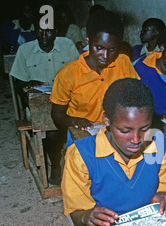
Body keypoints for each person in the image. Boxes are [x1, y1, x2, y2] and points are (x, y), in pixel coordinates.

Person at [62, 78, 166, 226]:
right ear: (106, 120)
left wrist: (164, 194)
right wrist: (87, 215)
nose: (136, 139)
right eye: (124, 130)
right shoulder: (80, 155)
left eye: (144, 128)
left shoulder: (160, 144)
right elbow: (76, 212)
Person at [50, 9, 139, 185]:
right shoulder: (69, 74)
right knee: (90, 181)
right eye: (99, 48)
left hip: (116, 133)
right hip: (84, 135)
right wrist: (74, 120)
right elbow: (57, 115)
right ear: (88, 40)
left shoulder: (123, 63)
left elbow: (135, 97)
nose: (105, 56)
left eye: (112, 49)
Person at [9, 21, 79, 184]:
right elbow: (18, 83)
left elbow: (80, 73)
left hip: (68, 101)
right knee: (51, 125)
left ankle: (76, 164)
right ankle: (55, 165)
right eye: (40, 31)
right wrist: (30, 83)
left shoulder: (67, 45)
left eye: (49, 31)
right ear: (35, 30)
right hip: (39, 105)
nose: (44, 35)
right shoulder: (25, 50)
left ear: (56, 31)